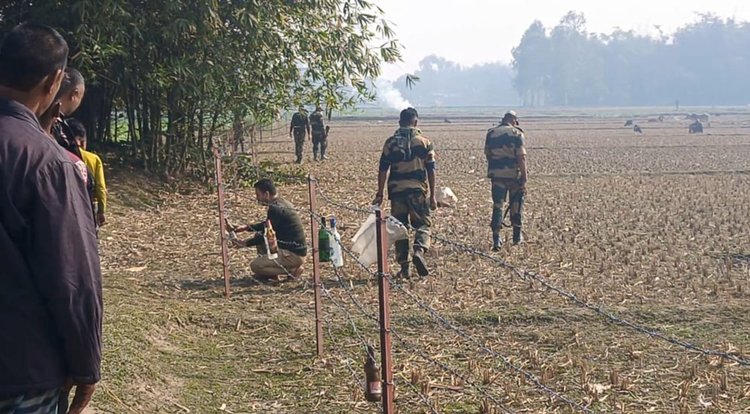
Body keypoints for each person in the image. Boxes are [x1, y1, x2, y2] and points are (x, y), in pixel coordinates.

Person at [0, 23, 102, 414]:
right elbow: (73, 279)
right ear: (53, 81)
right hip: (20, 376)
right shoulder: (48, 163)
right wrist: (86, 365)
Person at [373, 107, 437, 278]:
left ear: (400, 122)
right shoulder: (425, 142)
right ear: (415, 122)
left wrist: (379, 193)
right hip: (417, 191)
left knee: (400, 228)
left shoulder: (390, 143)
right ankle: (419, 250)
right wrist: (433, 195)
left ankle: (404, 267)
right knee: (423, 224)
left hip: (397, 192)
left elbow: (382, 169)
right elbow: (431, 170)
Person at [226, 179, 307, 280]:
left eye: (258, 195)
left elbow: (267, 234)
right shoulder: (282, 203)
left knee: (255, 266)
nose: (257, 198)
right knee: (258, 238)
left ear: (267, 194)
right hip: (293, 250)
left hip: (292, 254)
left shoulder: (275, 209)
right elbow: (268, 225)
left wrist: (244, 243)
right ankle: (271, 274)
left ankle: (292, 270)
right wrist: (247, 228)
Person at [484, 110, 528, 250]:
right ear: (514, 120)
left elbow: (488, 153)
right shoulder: (517, 134)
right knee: (516, 205)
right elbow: (521, 157)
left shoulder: (491, 133)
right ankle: (516, 237)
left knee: (498, 206)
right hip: (513, 176)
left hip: (497, 176)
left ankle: (496, 239)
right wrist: (524, 177)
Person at [68, 118, 108, 227]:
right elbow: (100, 188)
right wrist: (101, 210)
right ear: (81, 140)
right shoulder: (93, 159)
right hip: (88, 204)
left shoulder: (56, 155)